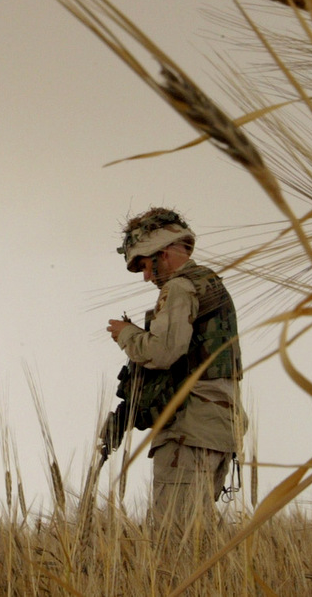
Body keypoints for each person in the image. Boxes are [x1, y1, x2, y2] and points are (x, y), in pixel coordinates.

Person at [103, 208, 245, 528]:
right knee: (199, 537)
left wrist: (125, 334)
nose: (146, 277)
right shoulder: (210, 283)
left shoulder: (180, 287)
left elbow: (164, 352)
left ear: (162, 254)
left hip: (189, 430)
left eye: (144, 265)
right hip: (219, 428)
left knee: (173, 539)